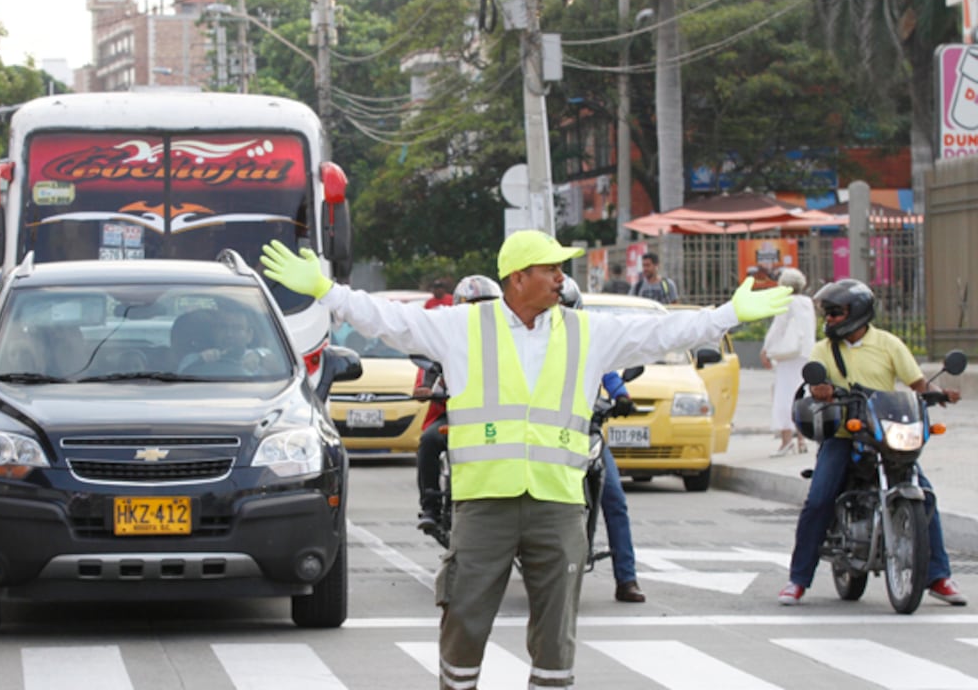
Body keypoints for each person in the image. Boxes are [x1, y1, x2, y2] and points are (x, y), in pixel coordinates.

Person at [260, 231, 791, 689]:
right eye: (551, 269)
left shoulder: (590, 332)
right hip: (482, 504)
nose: (561, 278)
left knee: (557, 626)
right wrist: (328, 292)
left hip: (558, 505)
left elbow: (665, 332)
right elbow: (387, 319)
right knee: (464, 617)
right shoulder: (462, 327)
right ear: (518, 277)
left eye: (562, 270)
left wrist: (729, 315)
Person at [778, 279, 967, 607]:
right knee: (819, 499)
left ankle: (938, 576)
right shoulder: (823, 349)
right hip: (844, 436)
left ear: (859, 313)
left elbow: (917, 384)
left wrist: (936, 394)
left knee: (925, 495)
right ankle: (798, 580)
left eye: (836, 313)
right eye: (828, 313)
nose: (830, 319)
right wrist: (819, 389)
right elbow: (816, 384)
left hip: (885, 435)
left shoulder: (889, 344)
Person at [560, 276, 646, 604]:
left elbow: (609, 374)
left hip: (587, 433)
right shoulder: (533, 349)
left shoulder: (588, 345)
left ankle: (627, 578)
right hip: (546, 440)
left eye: (567, 312)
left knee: (614, 499)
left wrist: (621, 397)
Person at [415, 275, 502, 535]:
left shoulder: (509, 341)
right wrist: (426, 389)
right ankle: (430, 506)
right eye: (473, 306)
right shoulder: (448, 339)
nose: (480, 313)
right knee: (429, 441)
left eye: (488, 306)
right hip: (454, 417)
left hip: (496, 420)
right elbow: (429, 368)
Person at [760, 268, 816, 456]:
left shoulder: (787, 302)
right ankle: (801, 439)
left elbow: (778, 327)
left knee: (784, 396)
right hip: (805, 354)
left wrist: (766, 349)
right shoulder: (808, 303)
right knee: (800, 395)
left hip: (788, 356)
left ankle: (786, 441)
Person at [178, 308, 268, 374]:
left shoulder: (259, 360)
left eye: (237, 328)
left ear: (249, 335)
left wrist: (260, 356)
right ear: (214, 332)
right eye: (223, 327)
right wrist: (200, 361)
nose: (229, 334)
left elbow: (277, 371)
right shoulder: (193, 358)